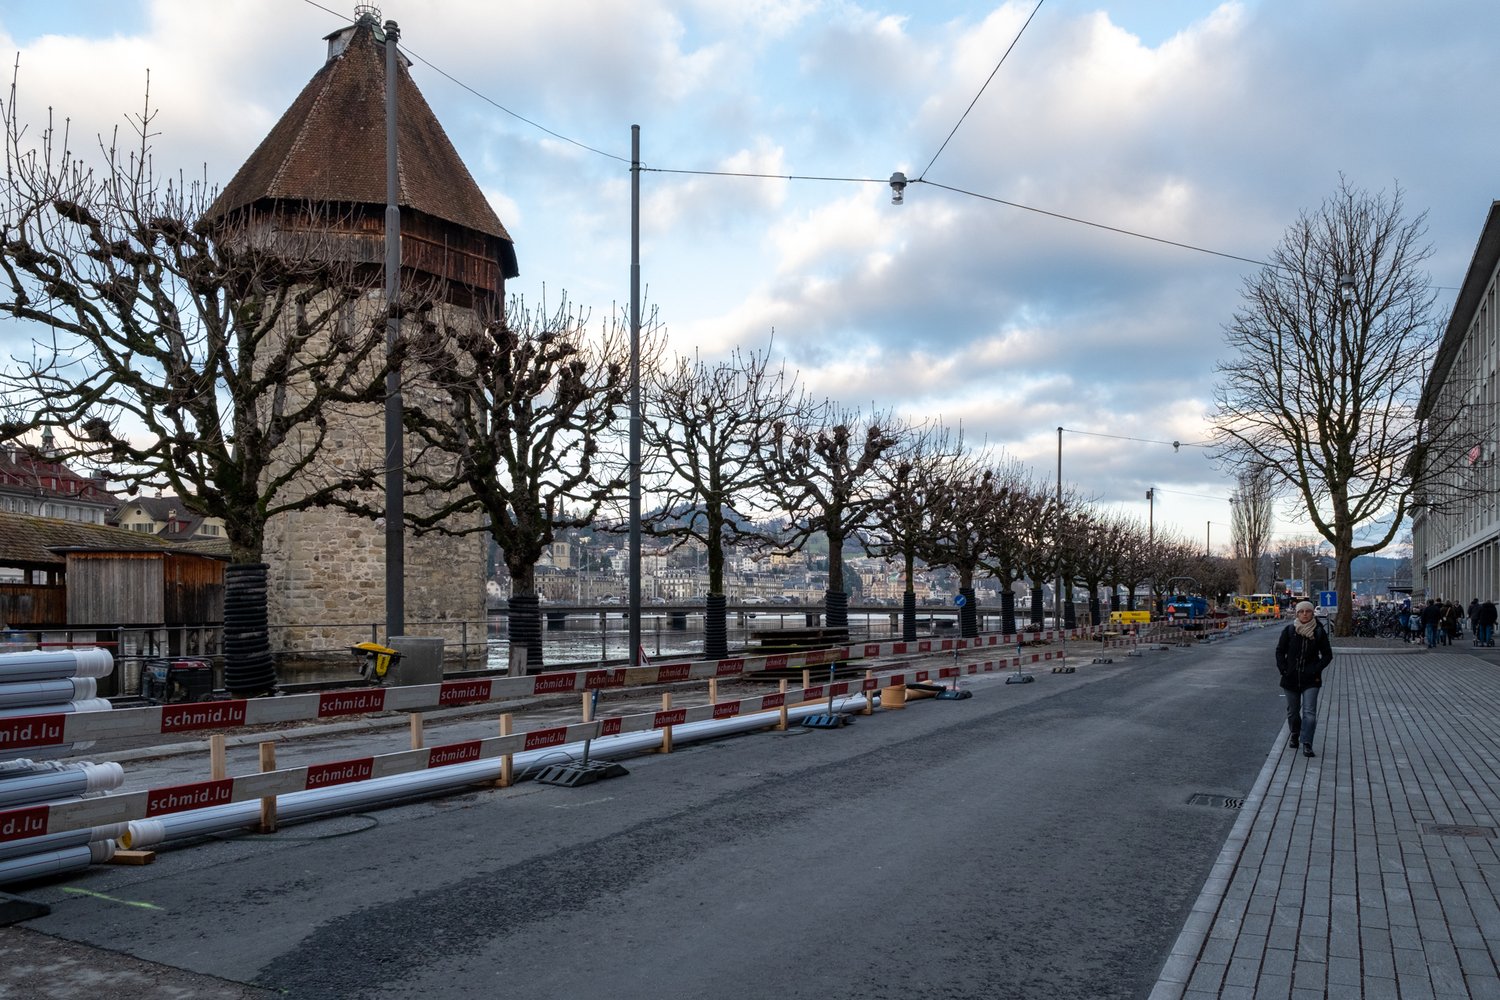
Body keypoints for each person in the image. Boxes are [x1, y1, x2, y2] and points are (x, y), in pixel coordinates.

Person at [1276, 600, 1333, 758]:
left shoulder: (1318, 632)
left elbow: (1327, 655)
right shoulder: (1289, 631)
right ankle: (1295, 733)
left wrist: (1315, 669)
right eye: (1301, 611)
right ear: (1297, 614)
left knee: (1309, 713)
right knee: (1293, 712)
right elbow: (1280, 651)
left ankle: (1307, 742)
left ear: (1312, 613)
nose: (1305, 614)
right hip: (1291, 678)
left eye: (1308, 611)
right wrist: (1284, 669)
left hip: (1311, 680)